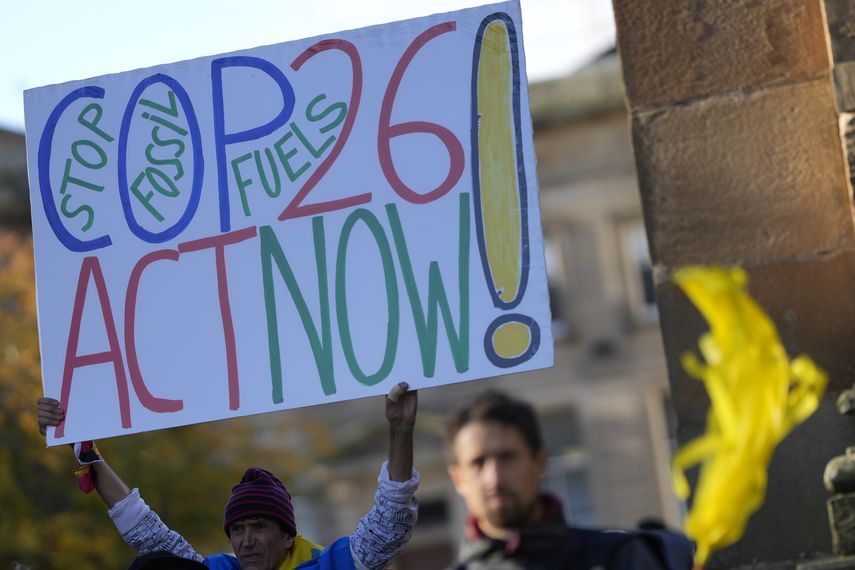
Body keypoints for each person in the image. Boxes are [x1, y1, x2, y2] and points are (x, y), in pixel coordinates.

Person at [38, 382, 419, 570]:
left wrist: (400, 430)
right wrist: (81, 446)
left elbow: (388, 526)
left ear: (289, 535)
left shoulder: (328, 566)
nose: (246, 541)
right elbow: (144, 531)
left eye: (259, 527)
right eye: (237, 530)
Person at [444, 390, 693, 570]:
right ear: (458, 479)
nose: (494, 478)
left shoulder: (619, 557)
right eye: (477, 463)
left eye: (507, 457)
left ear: (540, 461)